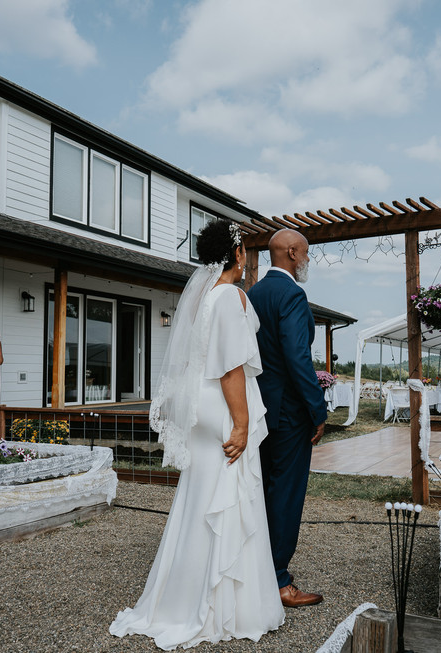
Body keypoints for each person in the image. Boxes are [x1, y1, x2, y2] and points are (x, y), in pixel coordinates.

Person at [110, 220, 283, 650]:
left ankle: (182, 595)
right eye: (245, 252)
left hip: (201, 407)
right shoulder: (232, 297)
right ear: (237, 254)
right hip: (224, 407)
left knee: (200, 496)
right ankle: (223, 606)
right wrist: (242, 424)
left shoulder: (203, 298)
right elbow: (230, 368)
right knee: (231, 494)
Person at [247, 228, 328, 607]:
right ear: (293, 252)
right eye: (306, 253)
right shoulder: (292, 295)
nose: (308, 259)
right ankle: (278, 581)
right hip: (289, 414)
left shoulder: (252, 294)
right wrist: (318, 410)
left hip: (256, 409)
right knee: (286, 494)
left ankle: (256, 569)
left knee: (261, 491)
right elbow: (299, 359)